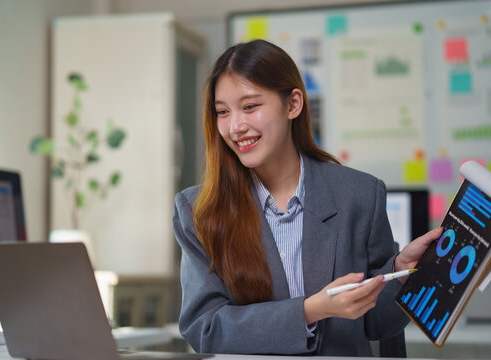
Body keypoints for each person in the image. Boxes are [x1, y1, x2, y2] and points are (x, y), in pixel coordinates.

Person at [172, 39, 442, 356]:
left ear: (293, 104)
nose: (235, 126)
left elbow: (377, 325)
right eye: (222, 112)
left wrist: (399, 272)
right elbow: (204, 328)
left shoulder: (359, 194)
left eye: (249, 107)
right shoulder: (199, 211)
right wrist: (309, 310)